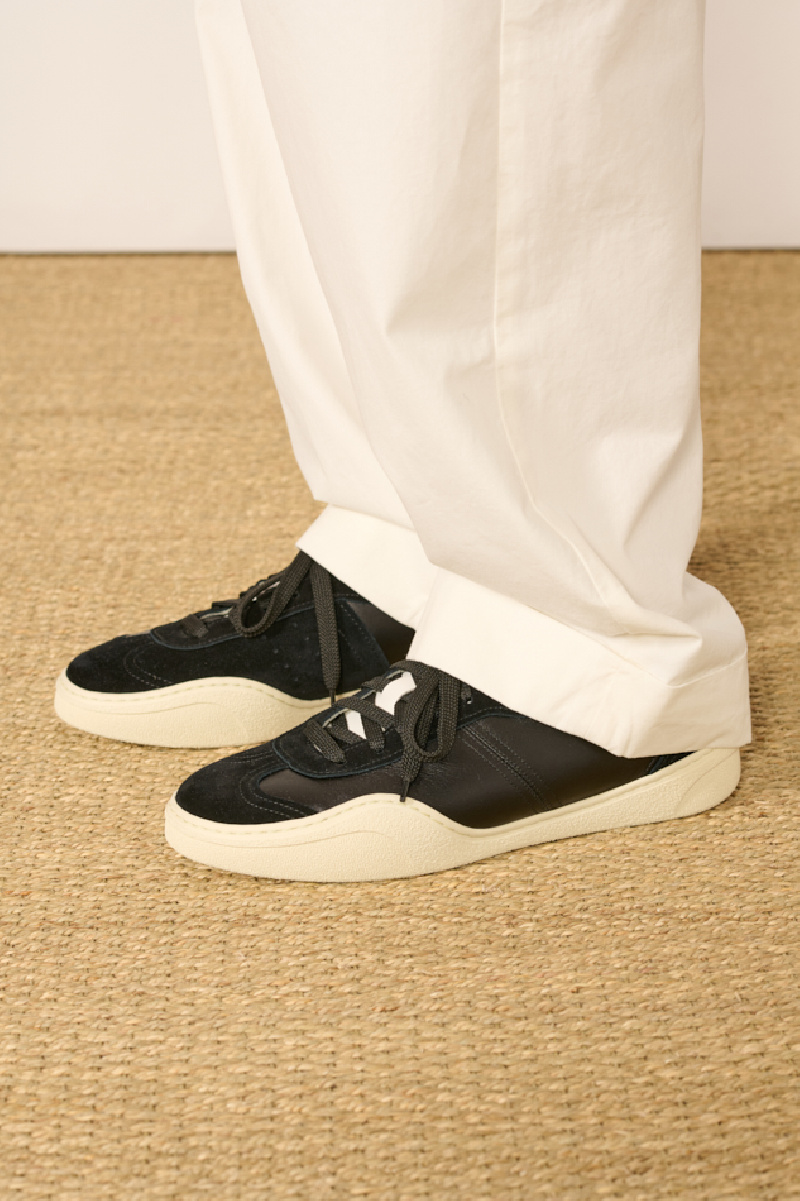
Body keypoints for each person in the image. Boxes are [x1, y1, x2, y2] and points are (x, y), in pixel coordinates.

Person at [54, 0, 750, 882]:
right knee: (330, 49)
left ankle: (585, 655)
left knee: (481, 38)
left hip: (595, 669)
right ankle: (408, 542)